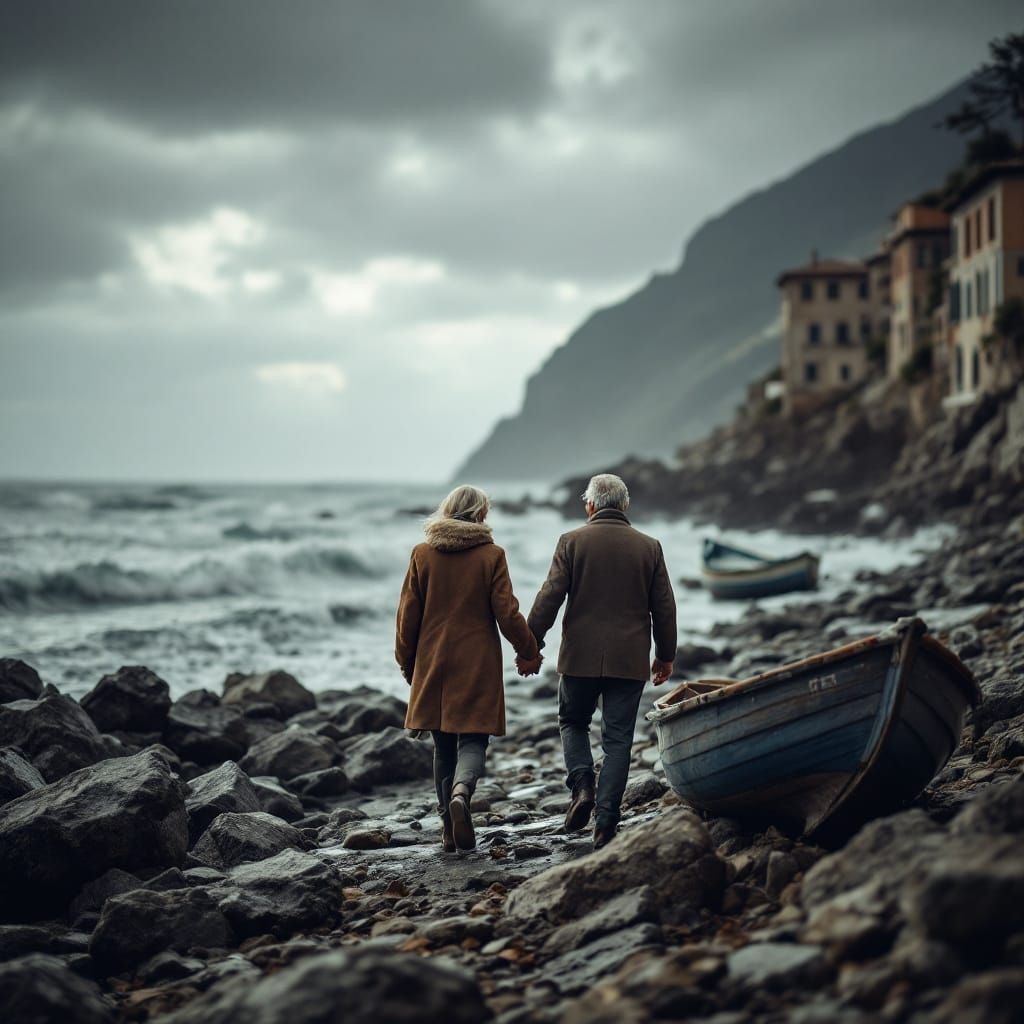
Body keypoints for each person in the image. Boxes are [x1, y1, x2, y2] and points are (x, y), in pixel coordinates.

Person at [524, 473, 676, 850]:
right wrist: (666, 655)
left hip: (580, 657)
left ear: (590, 505)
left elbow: (550, 597)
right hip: (629, 659)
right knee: (618, 740)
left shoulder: (571, 542)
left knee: (572, 721)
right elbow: (665, 607)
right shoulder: (649, 547)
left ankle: (582, 786)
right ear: (624, 506)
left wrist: (530, 644)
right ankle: (606, 823)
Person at [396, 484, 541, 853]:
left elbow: (407, 617)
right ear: (479, 515)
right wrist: (529, 651)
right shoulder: (491, 555)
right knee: (474, 738)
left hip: (433, 659)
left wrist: (407, 662)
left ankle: (449, 829)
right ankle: (462, 792)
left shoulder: (422, 554)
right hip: (476, 661)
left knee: (442, 747)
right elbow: (506, 613)